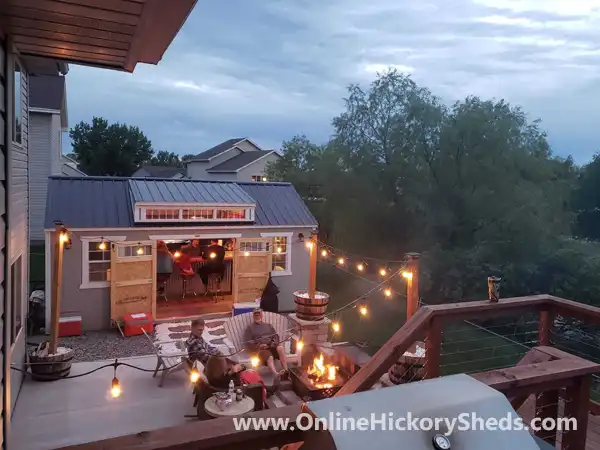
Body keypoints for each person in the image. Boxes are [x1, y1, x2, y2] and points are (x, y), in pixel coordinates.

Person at [244, 308, 288, 377]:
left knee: (280, 348)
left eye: (259, 314)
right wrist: (259, 346)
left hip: (271, 345)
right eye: (256, 315)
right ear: (253, 316)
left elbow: (275, 336)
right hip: (261, 349)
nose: (257, 316)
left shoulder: (268, 325)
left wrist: (273, 343)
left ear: (261, 316)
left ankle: (286, 370)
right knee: (270, 357)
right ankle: (276, 374)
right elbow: (248, 341)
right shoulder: (250, 328)